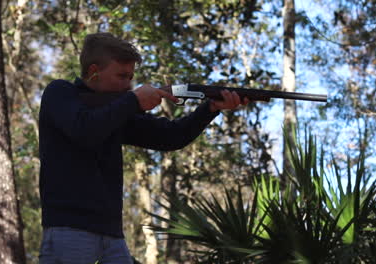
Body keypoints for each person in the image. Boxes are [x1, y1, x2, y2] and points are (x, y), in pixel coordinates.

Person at [38, 32, 248, 264]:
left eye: (131, 77)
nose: (128, 84)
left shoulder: (119, 111)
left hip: (112, 235)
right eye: (122, 76)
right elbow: (85, 130)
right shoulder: (59, 92)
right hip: (69, 231)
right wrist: (133, 102)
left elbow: (171, 136)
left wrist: (210, 109)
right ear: (93, 71)